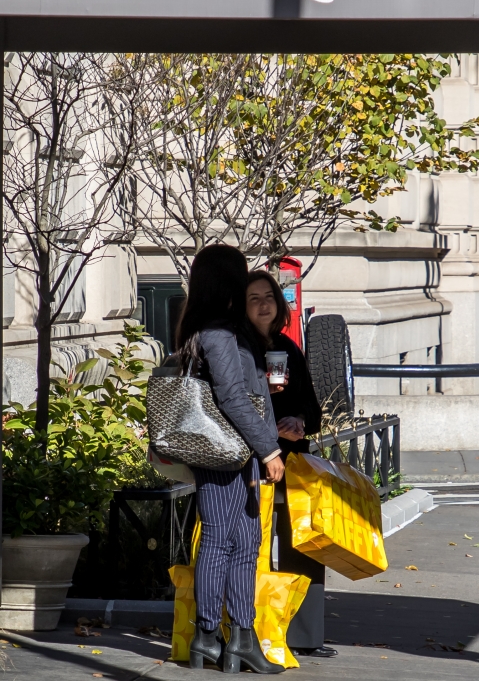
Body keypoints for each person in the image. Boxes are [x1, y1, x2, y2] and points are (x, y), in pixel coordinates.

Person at [175, 245, 286, 675]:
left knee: (246, 544)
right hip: (223, 453)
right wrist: (270, 449)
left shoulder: (224, 330)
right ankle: (207, 636)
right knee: (220, 541)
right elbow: (231, 399)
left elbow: (237, 391)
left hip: (240, 452)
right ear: (228, 281)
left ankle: (242, 637)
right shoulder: (217, 333)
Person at [246, 270, 337, 659]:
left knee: (304, 544)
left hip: (293, 463)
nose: (263, 305)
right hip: (250, 465)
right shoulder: (237, 349)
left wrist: (298, 421)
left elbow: (313, 410)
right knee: (253, 549)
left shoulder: (288, 348)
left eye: (269, 296)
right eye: (253, 298)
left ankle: (305, 635)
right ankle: (255, 631)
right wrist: (262, 394)